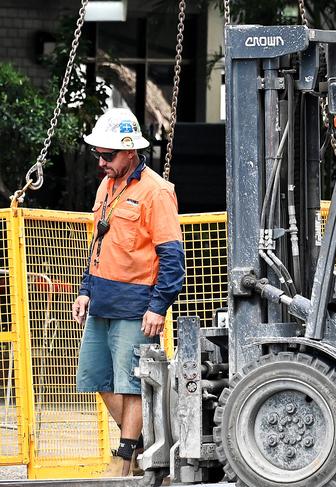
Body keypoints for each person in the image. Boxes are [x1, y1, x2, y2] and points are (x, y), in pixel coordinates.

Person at [73, 108, 185, 475]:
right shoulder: (107, 186)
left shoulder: (157, 192)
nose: (101, 161)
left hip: (136, 304)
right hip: (102, 299)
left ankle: (125, 460)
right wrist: (85, 289)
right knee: (98, 379)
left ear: (131, 152)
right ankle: (140, 448)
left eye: (108, 155)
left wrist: (158, 306)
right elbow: (99, 243)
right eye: (98, 154)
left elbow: (172, 258)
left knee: (132, 384)